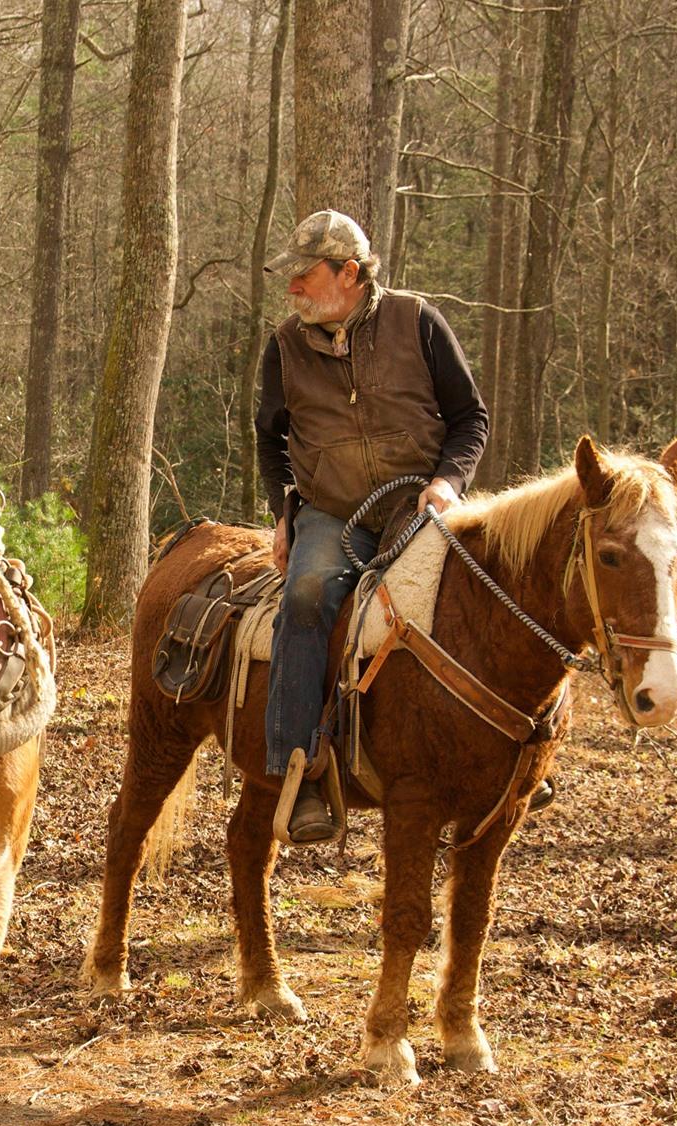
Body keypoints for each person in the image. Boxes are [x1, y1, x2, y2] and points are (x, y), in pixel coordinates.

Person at [253, 209, 490, 843]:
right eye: (292, 278)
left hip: (420, 503)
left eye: (305, 276)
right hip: (333, 512)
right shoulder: (283, 347)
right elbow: (270, 440)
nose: (293, 288)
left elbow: (471, 419)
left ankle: (513, 750)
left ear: (349, 273)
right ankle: (297, 773)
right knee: (305, 598)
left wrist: (447, 482)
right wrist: (285, 511)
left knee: (475, 595)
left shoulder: (418, 322)